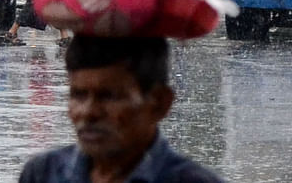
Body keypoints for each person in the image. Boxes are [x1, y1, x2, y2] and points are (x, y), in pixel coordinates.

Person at [18, 35, 224, 183]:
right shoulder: (42, 173)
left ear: (160, 103)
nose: (89, 112)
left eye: (109, 97)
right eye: (78, 95)